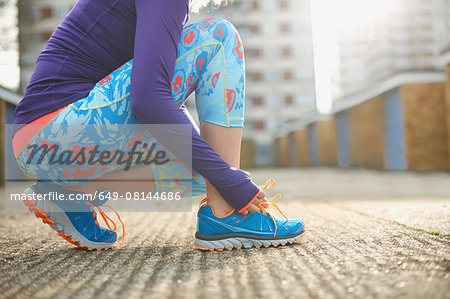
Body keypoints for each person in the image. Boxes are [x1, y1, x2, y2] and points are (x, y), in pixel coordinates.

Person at [12, 0, 305, 251]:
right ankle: (227, 215)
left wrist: (222, 175)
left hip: (45, 145)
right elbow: (149, 99)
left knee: (203, 166)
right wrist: (230, 180)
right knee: (219, 37)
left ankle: (73, 193)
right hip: (53, 125)